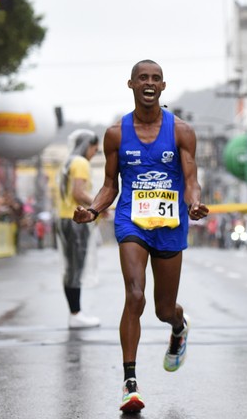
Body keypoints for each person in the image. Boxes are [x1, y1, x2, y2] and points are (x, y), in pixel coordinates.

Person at [73, 59, 208, 414]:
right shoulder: (116, 134)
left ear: (163, 87)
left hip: (170, 224)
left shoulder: (181, 131)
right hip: (132, 221)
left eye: (156, 79)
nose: (149, 83)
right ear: (131, 85)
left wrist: (194, 203)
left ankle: (179, 326)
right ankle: (129, 382)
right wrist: (92, 211)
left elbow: (191, 179)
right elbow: (108, 185)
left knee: (164, 309)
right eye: (143, 78)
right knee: (135, 296)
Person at [57, 129, 102, 329]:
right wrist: (99, 206)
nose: (95, 152)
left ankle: (74, 312)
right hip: (76, 220)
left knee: (70, 267)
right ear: (88, 146)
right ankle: (75, 314)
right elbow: (78, 192)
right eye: (94, 148)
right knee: (76, 267)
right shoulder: (81, 163)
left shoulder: (68, 162)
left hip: (64, 218)